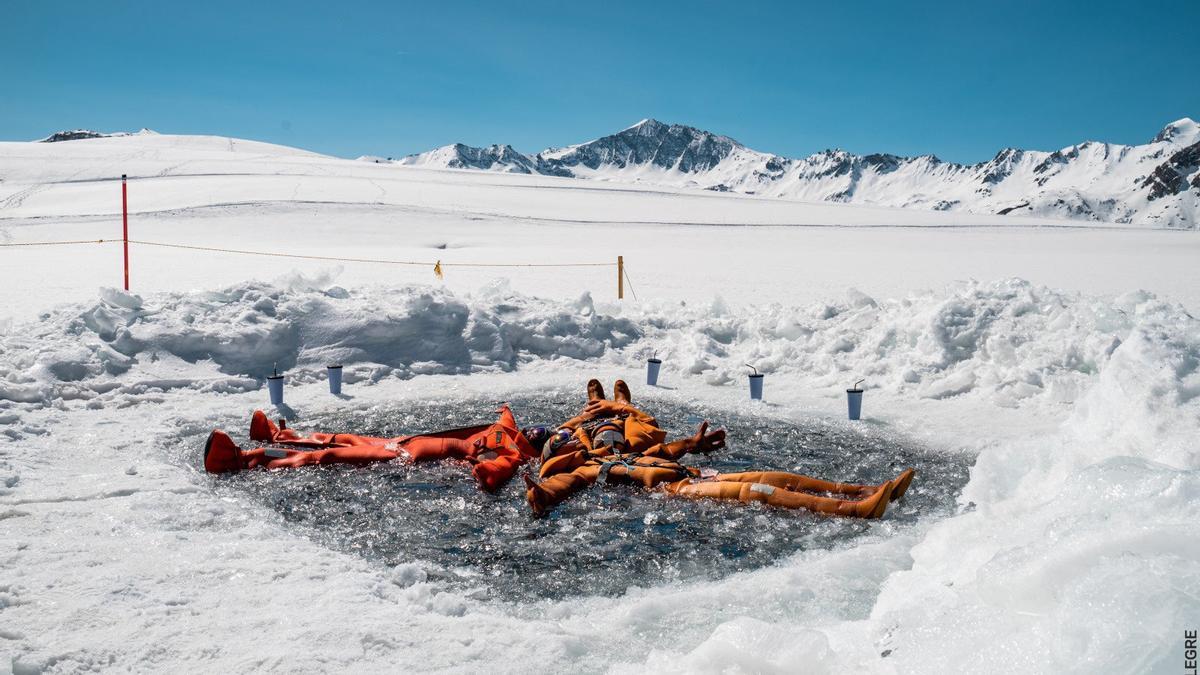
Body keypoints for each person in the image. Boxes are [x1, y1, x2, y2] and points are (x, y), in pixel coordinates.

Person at [524, 379, 915, 518]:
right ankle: (855, 510)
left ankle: (862, 491)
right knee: (756, 491)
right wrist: (541, 494)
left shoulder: (609, 456)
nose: (578, 441)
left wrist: (692, 444)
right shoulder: (583, 470)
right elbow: (562, 487)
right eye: (567, 441)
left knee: (770, 476)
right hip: (674, 491)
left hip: (689, 476)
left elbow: (662, 453)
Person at [203, 405, 544, 492]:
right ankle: (279, 438)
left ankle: (246, 459)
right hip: (401, 444)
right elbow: (506, 418)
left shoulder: (510, 453)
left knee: (327, 456)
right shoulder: (506, 434)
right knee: (343, 438)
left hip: (401, 456)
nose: (528, 431)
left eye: (534, 434)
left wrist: (482, 462)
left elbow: (494, 469)